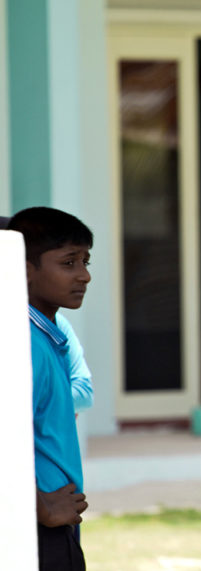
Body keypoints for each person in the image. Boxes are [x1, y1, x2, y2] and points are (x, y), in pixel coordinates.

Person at [8, 207, 92, 571]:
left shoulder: (47, 337)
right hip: (38, 528)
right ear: (24, 270)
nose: (85, 276)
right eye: (69, 262)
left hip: (53, 525)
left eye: (85, 261)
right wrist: (41, 507)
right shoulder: (26, 343)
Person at [1, 216, 92, 412]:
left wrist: (53, 406)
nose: (85, 277)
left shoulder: (54, 324)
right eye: (69, 262)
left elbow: (84, 390)